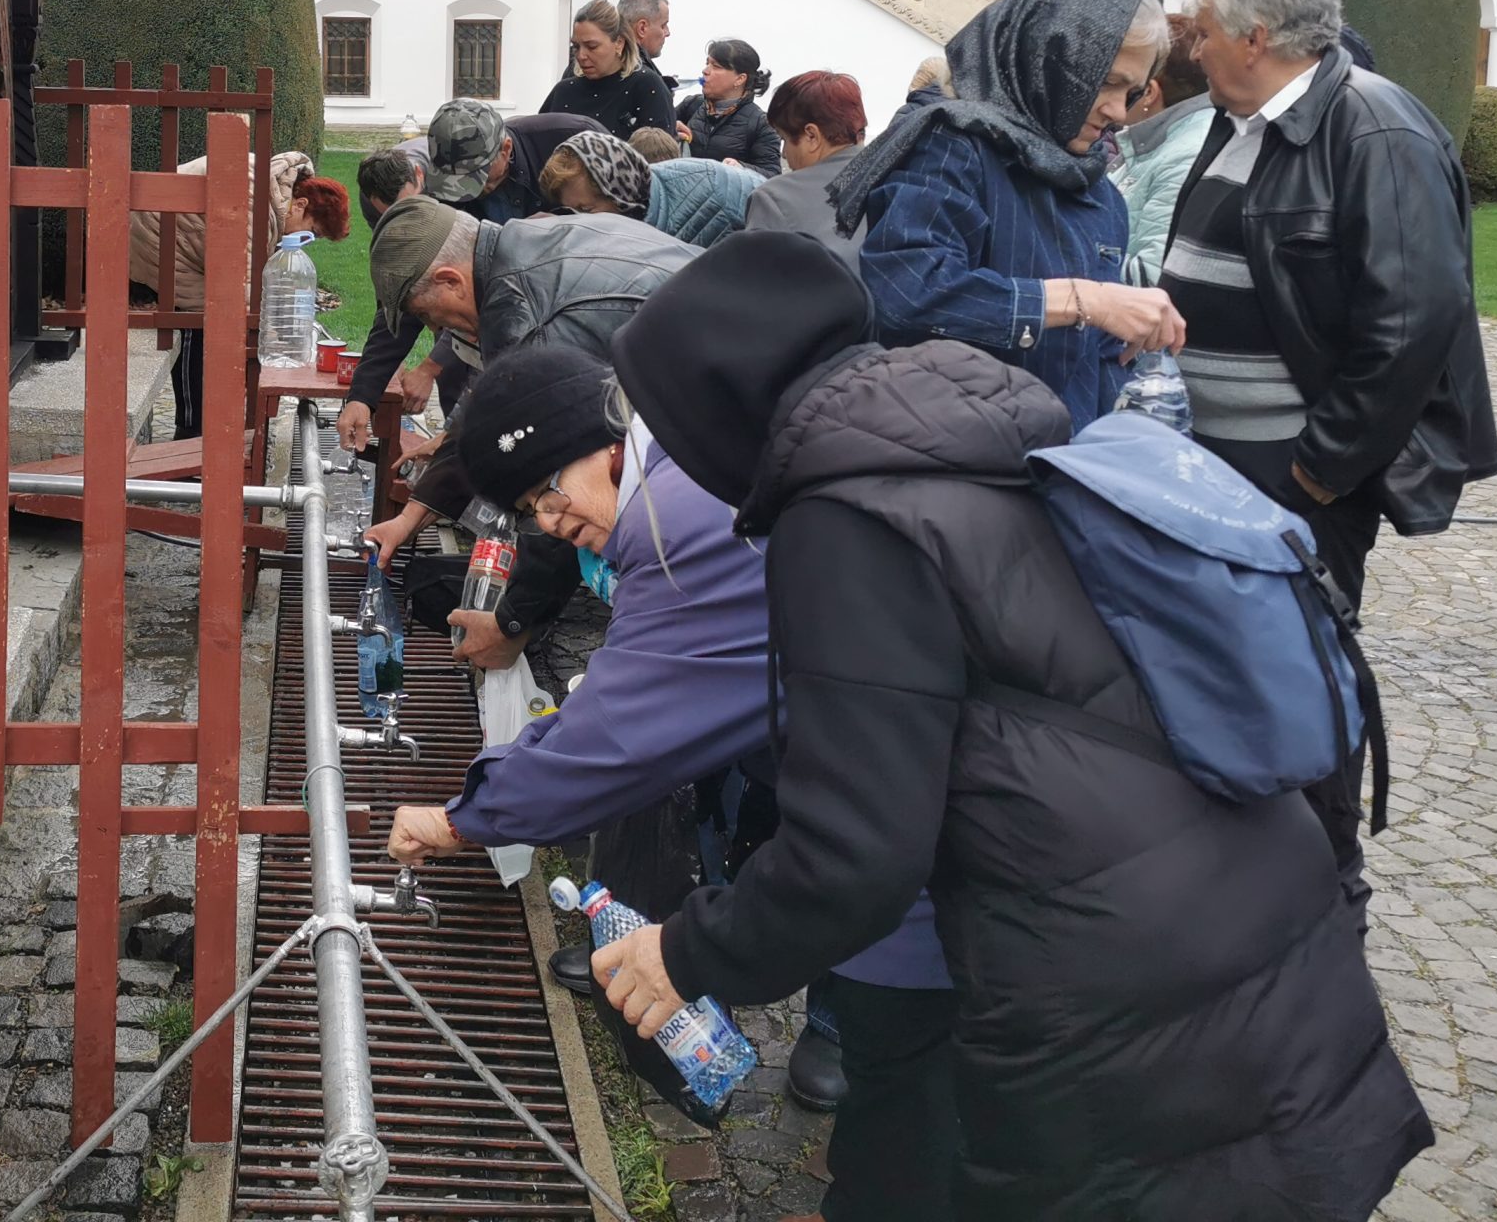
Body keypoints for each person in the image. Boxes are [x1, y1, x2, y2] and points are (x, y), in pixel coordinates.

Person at [586, 236, 1436, 1222]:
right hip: (1250, 915)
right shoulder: (972, 438)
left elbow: (855, 858)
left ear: (714, 407)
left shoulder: (846, 519)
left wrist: (685, 953)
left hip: (1116, 983)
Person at [386, 276, 959, 1199]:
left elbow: (621, 734)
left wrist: (462, 819)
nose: (549, 523)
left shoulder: (681, 522)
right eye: (529, 512)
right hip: (905, 767)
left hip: (944, 822)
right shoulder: (685, 470)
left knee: (913, 1074)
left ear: (601, 445)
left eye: (546, 493)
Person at [1170, 0, 1497, 918]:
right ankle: (1238, 879)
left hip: (1291, 476)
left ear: (1256, 36)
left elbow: (1411, 323)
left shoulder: (1374, 129)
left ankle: (1324, 892)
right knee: (1230, 670)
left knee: (1301, 680)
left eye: (1207, 30)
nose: (1194, 47)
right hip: (1217, 463)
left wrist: (1318, 471)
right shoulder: (1240, 121)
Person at [355, 195, 695, 682]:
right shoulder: (523, 239)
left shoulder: (532, 320)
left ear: (450, 280)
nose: (436, 330)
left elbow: (565, 497)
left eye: (432, 317)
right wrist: (408, 520)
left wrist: (511, 624)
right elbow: (492, 413)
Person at [836, 0, 1184, 433]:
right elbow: (907, 291)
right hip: (963, 449)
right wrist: (1084, 300)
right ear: (1046, 58)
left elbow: (1095, 362)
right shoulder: (956, 148)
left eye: (1132, 91)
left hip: (1063, 455)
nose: (1118, 111)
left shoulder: (1097, 188)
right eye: (1105, 82)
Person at [128, 148, 350, 438]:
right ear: (300, 205)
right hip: (151, 240)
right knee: (199, 317)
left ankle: (207, 422)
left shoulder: (270, 191)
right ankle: (192, 429)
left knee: (221, 317)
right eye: (312, 232)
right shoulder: (256, 200)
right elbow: (237, 278)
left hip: (173, 240)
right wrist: (271, 334)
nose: (307, 240)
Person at [336, 142, 471, 455]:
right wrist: (363, 394)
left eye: (409, 208)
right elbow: (397, 289)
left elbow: (475, 298)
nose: (405, 221)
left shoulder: (456, 184)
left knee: (461, 363)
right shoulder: (374, 200)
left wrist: (429, 368)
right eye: (394, 215)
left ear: (420, 176)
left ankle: (458, 448)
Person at [1112, 12, 1210, 283]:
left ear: (1149, 93)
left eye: (1118, 84)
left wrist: (1058, 254)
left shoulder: (1184, 155)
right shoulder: (1160, 144)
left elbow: (1151, 277)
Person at [538, 130, 759, 248]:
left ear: (619, 194)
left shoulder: (714, 185)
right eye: (572, 211)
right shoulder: (618, 225)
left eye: (586, 210)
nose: (580, 221)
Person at [742, 70, 867, 253]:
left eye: (784, 139)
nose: (784, 154)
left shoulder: (774, 199)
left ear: (811, 136)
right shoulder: (898, 179)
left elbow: (755, 269)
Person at [422, 98, 597, 223]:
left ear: (506, 149)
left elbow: (611, 217)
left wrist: (562, 224)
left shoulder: (573, 140)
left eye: (475, 176)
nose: (462, 189)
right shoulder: (439, 177)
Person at [542, 0, 678, 138]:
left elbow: (659, 148)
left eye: (592, 46)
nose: (581, 55)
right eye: (576, 47)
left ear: (619, 43)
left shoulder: (647, 87)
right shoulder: (563, 92)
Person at [675, 39, 782, 173]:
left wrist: (740, 168)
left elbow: (772, 174)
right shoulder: (692, 105)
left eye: (716, 66)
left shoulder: (761, 123)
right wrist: (669, 130)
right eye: (707, 63)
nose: (705, 71)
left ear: (740, 79)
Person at [621, 0, 675, 96]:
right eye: (663, 25)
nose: (668, 33)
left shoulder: (603, 67)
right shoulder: (646, 81)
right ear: (642, 28)